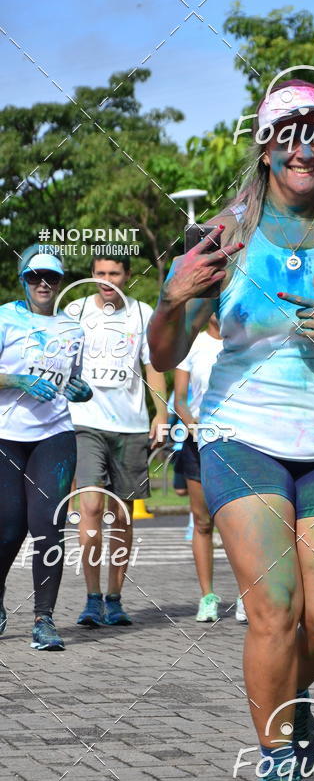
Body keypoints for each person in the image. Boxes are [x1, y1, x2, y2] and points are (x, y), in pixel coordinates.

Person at [148, 79, 314, 781]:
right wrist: (172, 300)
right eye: (288, 132)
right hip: (242, 435)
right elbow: (164, 354)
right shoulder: (224, 235)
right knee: (276, 609)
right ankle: (276, 766)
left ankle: (289, 698)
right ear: (264, 145)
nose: (304, 146)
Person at [68, 247, 168, 627]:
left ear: (127, 276)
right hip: (86, 423)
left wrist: (161, 412)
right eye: (100, 274)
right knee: (91, 507)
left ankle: (115, 597)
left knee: (122, 515)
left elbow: (153, 366)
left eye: (114, 274)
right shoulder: (75, 312)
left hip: (130, 427)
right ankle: (92, 598)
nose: (107, 281)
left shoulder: (142, 314)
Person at [0, 245, 92, 650]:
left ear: (59, 283)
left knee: (47, 526)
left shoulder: (73, 329)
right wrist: (17, 381)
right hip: (6, 435)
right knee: (8, 527)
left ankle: (44, 619)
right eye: (35, 276)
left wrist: (83, 391)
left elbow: (75, 383)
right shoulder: (4, 317)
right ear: (23, 280)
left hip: (54, 434)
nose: (43, 283)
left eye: (51, 277)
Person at [173, 313, 247, 623]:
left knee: (243, 525)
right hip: (199, 440)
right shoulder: (193, 345)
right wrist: (193, 426)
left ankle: (248, 594)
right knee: (203, 522)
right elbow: (179, 399)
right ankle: (208, 597)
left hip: (241, 441)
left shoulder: (245, 343)